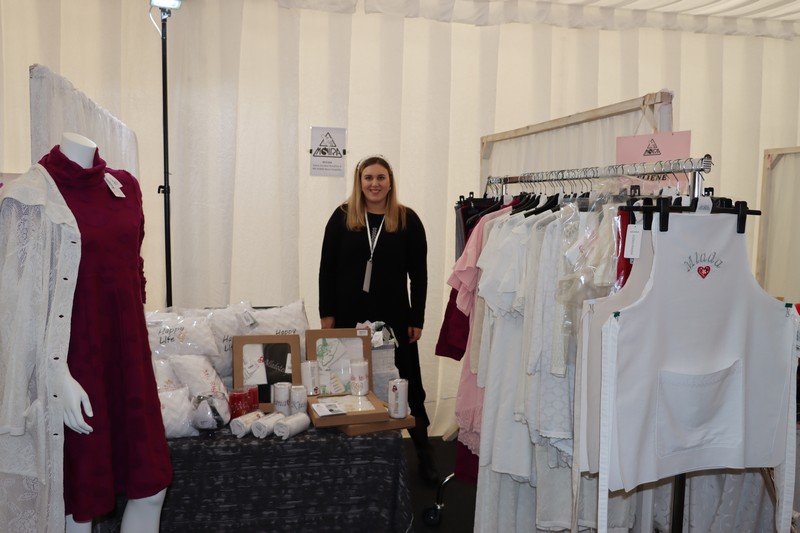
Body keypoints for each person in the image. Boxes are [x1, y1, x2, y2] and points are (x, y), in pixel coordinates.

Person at [0, 132, 172, 532]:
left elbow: (134, 275)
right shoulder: (31, 196)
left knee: (152, 488)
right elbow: (18, 306)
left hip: (130, 362)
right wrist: (55, 374)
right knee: (80, 504)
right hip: (75, 366)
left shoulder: (125, 188)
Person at [318, 154, 439, 485]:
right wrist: (327, 314)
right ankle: (349, 454)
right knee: (347, 383)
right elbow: (326, 269)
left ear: (390, 182)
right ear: (359, 182)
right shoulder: (342, 217)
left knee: (407, 383)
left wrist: (417, 317)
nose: (374, 184)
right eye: (368, 177)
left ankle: (424, 453)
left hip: (395, 318)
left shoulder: (407, 220)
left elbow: (420, 275)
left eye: (380, 177)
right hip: (348, 316)